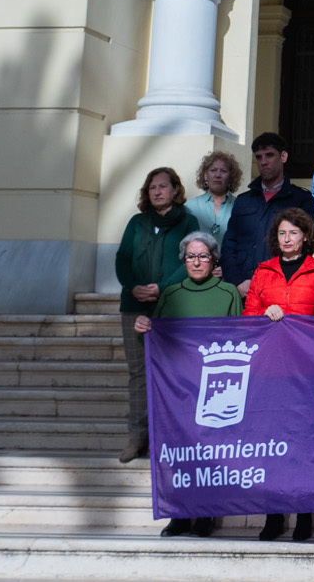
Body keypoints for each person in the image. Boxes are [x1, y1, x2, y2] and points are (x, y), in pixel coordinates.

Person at [134, 231, 241, 538]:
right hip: (177, 389)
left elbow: (237, 338)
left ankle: (206, 513)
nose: (196, 262)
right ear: (183, 260)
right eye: (191, 256)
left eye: (203, 256)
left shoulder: (229, 293)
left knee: (211, 453)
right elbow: (155, 336)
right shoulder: (170, 295)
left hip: (214, 388)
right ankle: (179, 514)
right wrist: (143, 327)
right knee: (179, 452)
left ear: (213, 260)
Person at [243, 210, 314, 542]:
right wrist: (263, 315)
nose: (287, 239)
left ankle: (305, 514)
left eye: (294, 233)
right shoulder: (263, 272)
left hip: (307, 369)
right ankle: (274, 514)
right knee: (271, 442)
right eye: (282, 233)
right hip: (270, 369)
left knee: (304, 443)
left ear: (307, 236)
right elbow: (248, 316)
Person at [112, 166, 194, 463]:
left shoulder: (188, 221)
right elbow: (123, 258)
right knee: (138, 373)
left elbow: (190, 260)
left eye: (163, 186)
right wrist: (133, 287)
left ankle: (167, 436)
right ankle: (137, 436)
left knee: (171, 372)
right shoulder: (137, 223)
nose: (157, 192)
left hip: (171, 306)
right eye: (152, 188)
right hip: (134, 307)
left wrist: (163, 287)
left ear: (175, 189)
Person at [220, 133, 314, 295]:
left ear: (283, 156)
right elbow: (229, 245)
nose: (263, 162)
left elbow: (306, 245)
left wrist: (282, 281)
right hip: (243, 287)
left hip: (282, 286)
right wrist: (237, 281)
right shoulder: (243, 201)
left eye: (269, 155)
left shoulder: (301, 199)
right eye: (259, 157)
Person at [183, 149, 242, 253]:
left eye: (223, 171)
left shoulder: (240, 206)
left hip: (229, 267)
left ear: (231, 177)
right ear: (205, 175)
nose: (217, 175)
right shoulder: (189, 207)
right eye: (213, 170)